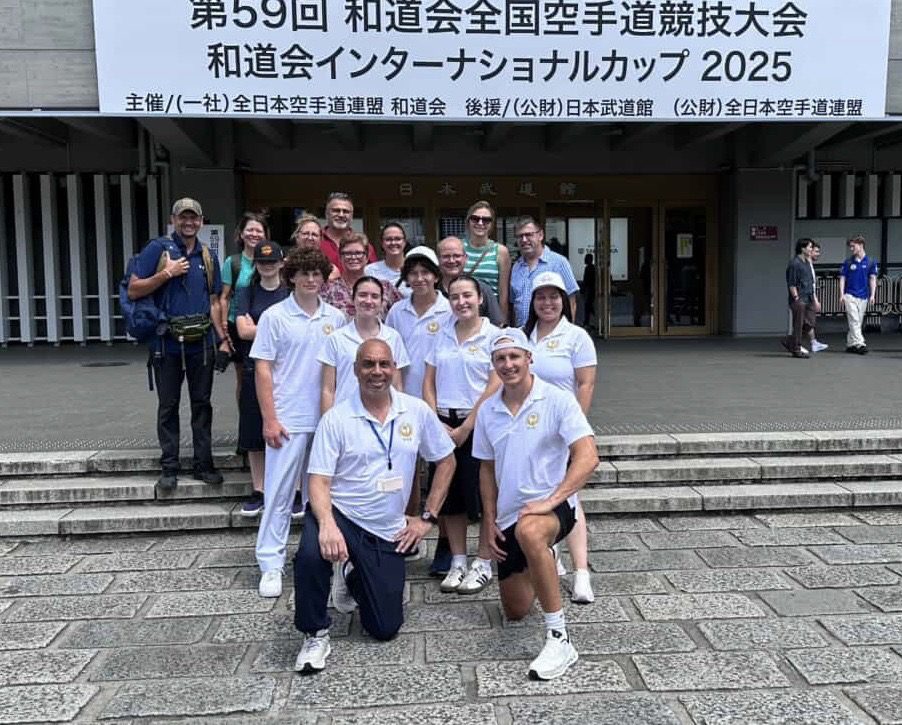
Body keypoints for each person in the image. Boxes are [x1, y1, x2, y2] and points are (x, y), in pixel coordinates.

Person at [293, 339, 456, 673]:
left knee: (384, 628)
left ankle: (351, 573)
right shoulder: (336, 419)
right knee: (309, 555)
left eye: (383, 364)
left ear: (394, 368)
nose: (376, 371)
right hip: (342, 515)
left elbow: (447, 460)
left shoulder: (415, 411)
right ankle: (314, 633)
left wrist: (427, 517)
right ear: (355, 370)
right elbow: (318, 481)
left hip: (386, 527)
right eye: (368, 364)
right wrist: (327, 526)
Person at [472, 328, 598, 681]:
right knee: (515, 610)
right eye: (500, 358)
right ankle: (541, 558)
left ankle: (560, 638)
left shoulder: (557, 399)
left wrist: (553, 499)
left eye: (515, 356)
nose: (508, 364)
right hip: (510, 515)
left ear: (530, 358)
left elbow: (588, 457)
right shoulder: (488, 411)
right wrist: (489, 521)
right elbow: (486, 469)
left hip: (551, 507)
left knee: (530, 532)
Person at [250, 248, 346, 599]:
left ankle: (323, 560)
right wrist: (270, 419)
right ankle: (270, 563)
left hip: (326, 420)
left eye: (316, 273)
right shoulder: (274, 316)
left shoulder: (336, 317)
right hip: (287, 418)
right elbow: (263, 369)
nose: (310, 279)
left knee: (323, 496)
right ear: (291, 277)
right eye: (303, 273)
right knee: (278, 493)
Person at [127, 197, 225, 491]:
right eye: (183, 217)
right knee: (168, 405)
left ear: (201, 221)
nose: (188, 222)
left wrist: (222, 339)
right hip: (166, 342)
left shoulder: (208, 255)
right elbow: (133, 289)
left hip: (201, 342)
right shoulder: (157, 249)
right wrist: (166, 273)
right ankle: (169, 466)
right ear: (173, 220)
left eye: (194, 218)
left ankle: (203, 464)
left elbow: (214, 300)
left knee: (202, 404)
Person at [423, 275, 501, 595]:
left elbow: (495, 383)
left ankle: (483, 562)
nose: (461, 302)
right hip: (443, 422)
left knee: (483, 496)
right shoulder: (440, 333)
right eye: (454, 297)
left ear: (480, 298)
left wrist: (468, 425)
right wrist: (434, 420)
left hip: (479, 423)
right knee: (450, 496)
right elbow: (428, 380)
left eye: (467, 295)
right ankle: (457, 561)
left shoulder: (494, 336)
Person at [523, 272, 597, 604]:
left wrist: (575, 429)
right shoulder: (523, 335)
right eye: (541, 297)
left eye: (554, 297)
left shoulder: (577, 337)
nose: (548, 303)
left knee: (570, 495)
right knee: (539, 491)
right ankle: (552, 554)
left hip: (563, 428)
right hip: (529, 428)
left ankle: (582, 572)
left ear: (565, 302)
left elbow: (585, 384)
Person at [235, 241, 290, 517]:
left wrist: (260, 327)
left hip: (287, 371)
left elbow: (296, 327)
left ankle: (293, 489)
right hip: (253, 368)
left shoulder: (289, 292)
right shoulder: (246, 292)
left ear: (281, 263)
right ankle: (259, 489)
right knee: (254, 430)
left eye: (272, 261)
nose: (267, 266)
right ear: (255, 265)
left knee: (290, 430)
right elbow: (242, 331)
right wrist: (279, 329)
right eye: (262, 262)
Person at [320, 276, 410, 413]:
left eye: (374, 296)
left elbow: (397, 386)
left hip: (383, 416)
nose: (368, 301)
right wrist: (326, 421)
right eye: (362, 295)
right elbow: (328, 389)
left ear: (382, 302)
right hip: (344, 415)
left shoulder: (393, 337)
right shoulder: (336, 338)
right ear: (353, 299)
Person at [218, 212, 269, 400]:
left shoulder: (271, 261)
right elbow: (224, 297)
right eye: (250, 230)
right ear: (241, 234)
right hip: (238, 326)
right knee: (243, 377)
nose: (254, 234)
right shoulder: (233, 262)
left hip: (264, 324)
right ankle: (245, 414)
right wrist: (224, 327)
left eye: (259, 231)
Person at [509, 217, 580, 327]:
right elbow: (514, 305)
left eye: (528, 235)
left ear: (540, 235)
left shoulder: (559, 263)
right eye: (519, 236)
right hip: (522, 332)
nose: (524, 240)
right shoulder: (516, 267)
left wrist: (567, 332)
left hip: (552, 333)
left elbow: (571, 301)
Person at [322, 234, 403, 319]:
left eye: (358, 253)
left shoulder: (385, 288)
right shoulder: (328, 289)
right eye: (347, 253)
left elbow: (403, 314)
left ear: (367, 256)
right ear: (340, 257)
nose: (353, 257)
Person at [437, 236, 504, 326]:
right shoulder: (432, 291)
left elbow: (497, 326)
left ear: (465, 258)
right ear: (438, 259)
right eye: (446, 256)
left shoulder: (482, 290)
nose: (452, 260)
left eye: (457, 256)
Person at [463, 201, 511, 324]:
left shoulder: (500, 251)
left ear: (491, 224)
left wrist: (502, 323)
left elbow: (503, 293)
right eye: (475, 219)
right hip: (463, 310)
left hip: (490, 313)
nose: (480, 223)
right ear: (468, 221)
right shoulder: (459, 247)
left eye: (486, 220)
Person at [839, 234, 879, 355]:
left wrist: (872, 295)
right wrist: (841, 294)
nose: (851, 249)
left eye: (853, 246)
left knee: (857, 322)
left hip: (863, 296)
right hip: (850, 294)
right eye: (850, 247)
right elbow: (842, 278)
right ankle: (860, 343)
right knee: (854, 320)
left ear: (861, 245)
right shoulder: (848, 262)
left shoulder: (871, 262)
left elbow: (872, 279)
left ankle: (851, 344)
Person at [319, 192, 377, 273]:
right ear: (327, 214)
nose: (341, 215)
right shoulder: (316, 241)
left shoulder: (364, 246)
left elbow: (373, 274)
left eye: (346, 211)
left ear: (352, 216)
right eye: (336, 210)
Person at [781, 238, 816, 359]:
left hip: (809, 297)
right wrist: (796, 298)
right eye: (810, 247)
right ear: (802, 248)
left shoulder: (807, 262)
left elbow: (811, 281)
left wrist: (814, 298)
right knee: (799, 324)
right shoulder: (795, 264)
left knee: (809, 322)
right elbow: (792, 283)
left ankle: (789, 341)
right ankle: (796, 348)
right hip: (799, 298)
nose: (811, 249)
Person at [366, 222, 411, 296]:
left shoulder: (414, 269)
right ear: (382, 243)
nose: (393, 243)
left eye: (398, 239)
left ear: (405, 242)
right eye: (388, 239)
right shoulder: (370, 271)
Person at [291, 214, 339, 280]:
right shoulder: (284, 265)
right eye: (305, 233)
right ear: (297, 236)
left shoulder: (331, 270)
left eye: (314, 235)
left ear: (320, 239)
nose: (310, 238)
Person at [804, 242, 828, 354]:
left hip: (809, 296)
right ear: (810, 251)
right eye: (816, 251)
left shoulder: (809, 265)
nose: (818, 254)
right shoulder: (806, 265)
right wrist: (815, 300)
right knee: (808, 321)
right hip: (807, 297)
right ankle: (807, 343)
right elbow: (809, 285)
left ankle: (813, 342)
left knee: (808, 320)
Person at [581, 253, 596, 329]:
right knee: (589, 306)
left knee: (588, 306)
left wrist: (583, 289)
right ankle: (590, 321)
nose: (585, 260)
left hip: (590, 289)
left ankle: (588, 322)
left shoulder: (589, 268)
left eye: (586, 258)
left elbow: (586, 280)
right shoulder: (592, 268)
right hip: (591, 289)